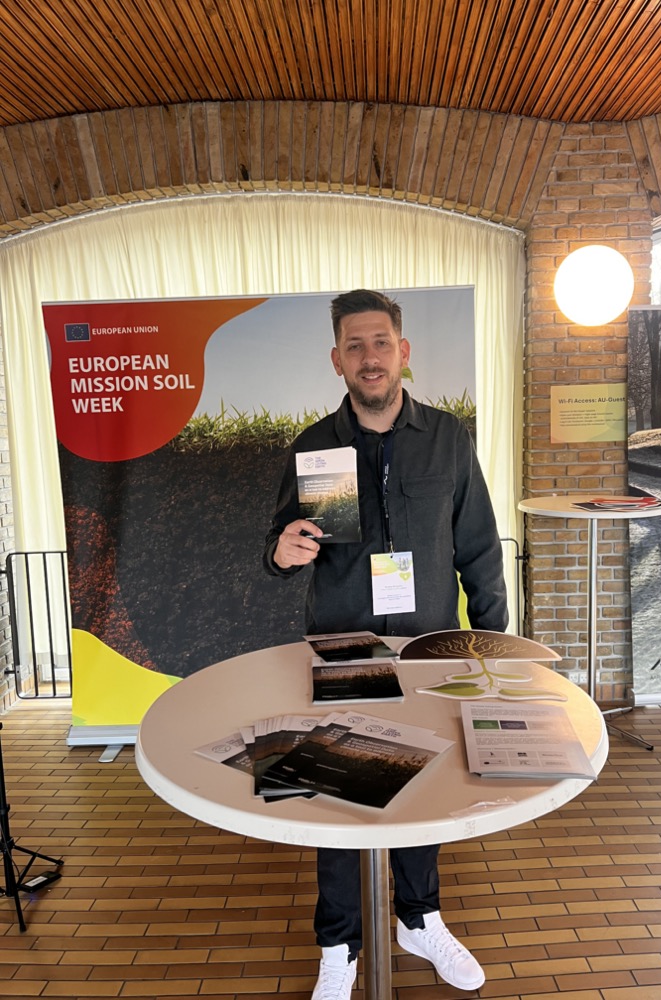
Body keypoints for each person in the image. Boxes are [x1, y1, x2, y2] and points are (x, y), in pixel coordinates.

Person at [263, 288, 508, 999]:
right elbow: (280, 547)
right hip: (342, 646)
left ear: (402, 351)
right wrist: (282, 552)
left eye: (380, 343)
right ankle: (339, 944)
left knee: (423, 786)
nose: (369, 358)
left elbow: (479, 548)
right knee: (337, 794)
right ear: (336, 359)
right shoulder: (313, 445)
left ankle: (418, 918)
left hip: (428, 646)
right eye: (355, 346)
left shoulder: (448, 437)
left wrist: (492, 649)